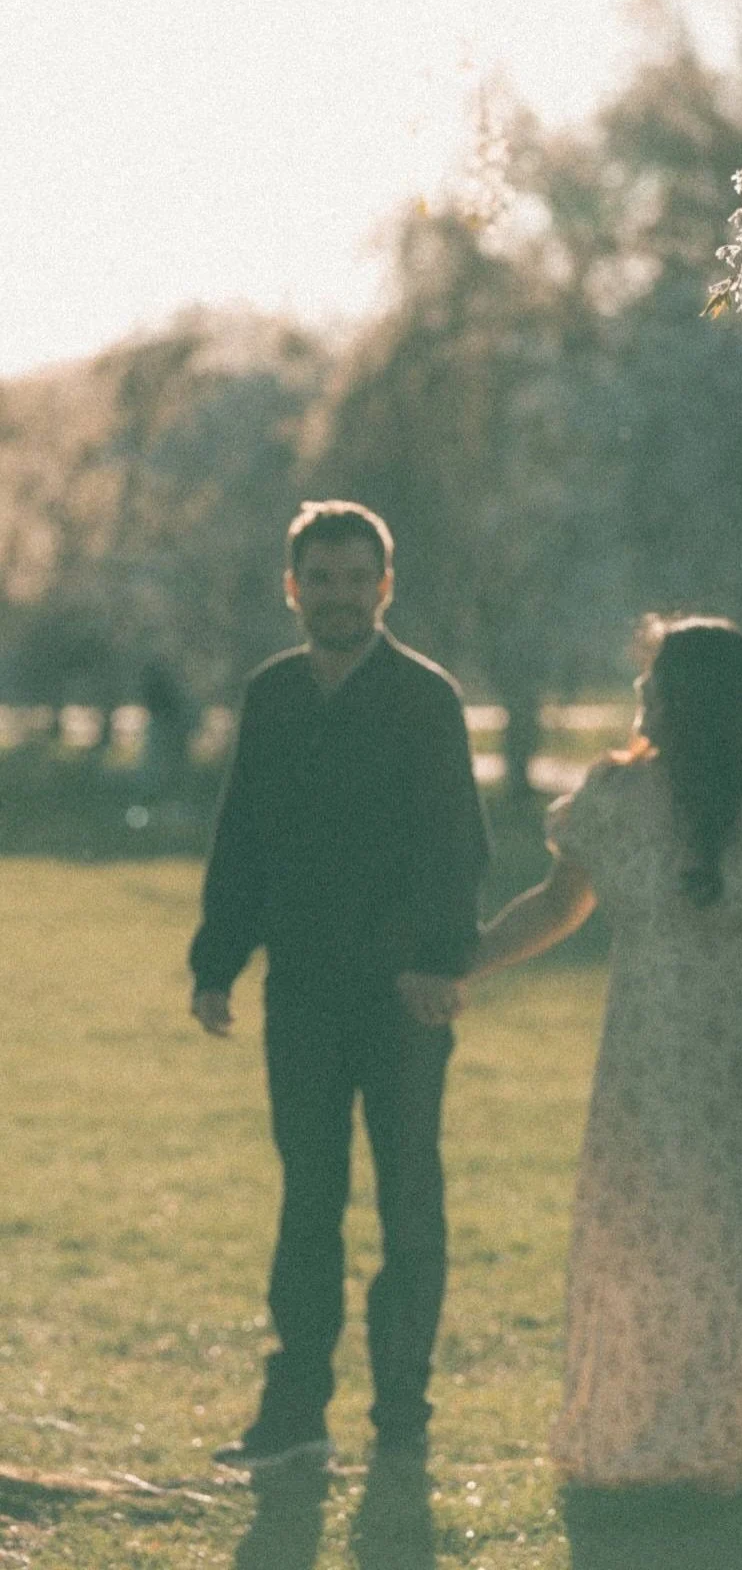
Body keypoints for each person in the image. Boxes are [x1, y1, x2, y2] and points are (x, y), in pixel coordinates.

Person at [471, 616, 742, 1496]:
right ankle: (669, 1443)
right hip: (655, 1065)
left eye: (656, 684)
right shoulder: (615, 795)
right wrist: (471, 958)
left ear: (695, 700)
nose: (643, 697)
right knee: (658, 1245)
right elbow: (554, 903)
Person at [189, 500, 488, 1470]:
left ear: (385, 587)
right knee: (307, 1197)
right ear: (293, 587)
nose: (340, 594)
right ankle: (295, 1415)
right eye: (321, 577)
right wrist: (215, 962)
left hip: (404, 996)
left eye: (358, 578)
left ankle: (402, 1417)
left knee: (409, 1199)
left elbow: (458, 847)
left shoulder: (425, 698)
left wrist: (441, 964)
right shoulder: (272, 695)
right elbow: (242, 838)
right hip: (304, 993)